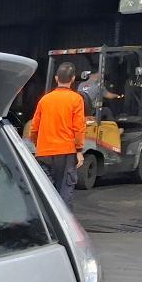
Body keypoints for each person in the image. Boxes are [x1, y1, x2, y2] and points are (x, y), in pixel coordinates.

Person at [29, 61, 88, 205]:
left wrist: (37, 144)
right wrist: (79, 150)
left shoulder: (44, 100)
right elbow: (79, 127)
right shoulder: (76, 99)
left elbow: (34, 127)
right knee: (64, 193)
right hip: (66, 152)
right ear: (73, 79)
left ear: (56, 78)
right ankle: (64, 219)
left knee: (46, 193)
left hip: (44, 152)